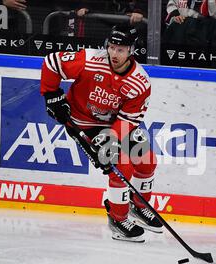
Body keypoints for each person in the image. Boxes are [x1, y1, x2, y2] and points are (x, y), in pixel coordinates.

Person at [40, 23, 163, 243]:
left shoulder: (140, 82)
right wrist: (51, 95)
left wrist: (112, 138)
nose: (114, 54)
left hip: (115, 124)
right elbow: (52, 62)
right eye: (112, 47)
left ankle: (139, 206)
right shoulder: (89, 60)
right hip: (82, 123)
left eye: (121, 49)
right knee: (120, 167)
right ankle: (117, 219)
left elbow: (129, 118)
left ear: (131, 51)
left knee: (147, 161)